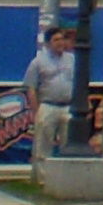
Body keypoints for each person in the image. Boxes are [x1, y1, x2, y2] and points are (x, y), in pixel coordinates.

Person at [21, 26, 81, 161]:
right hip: (48, 106)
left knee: (68, 146)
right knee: (43, 147)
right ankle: (42, 180)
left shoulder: (72, 59)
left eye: (62, 39)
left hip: (68, 107)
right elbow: (31, 87)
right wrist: (37, 111)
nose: (61, 42)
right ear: (48, 44)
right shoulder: (38, 62)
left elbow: (79, 83)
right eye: (56, 40)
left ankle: (63, 179)